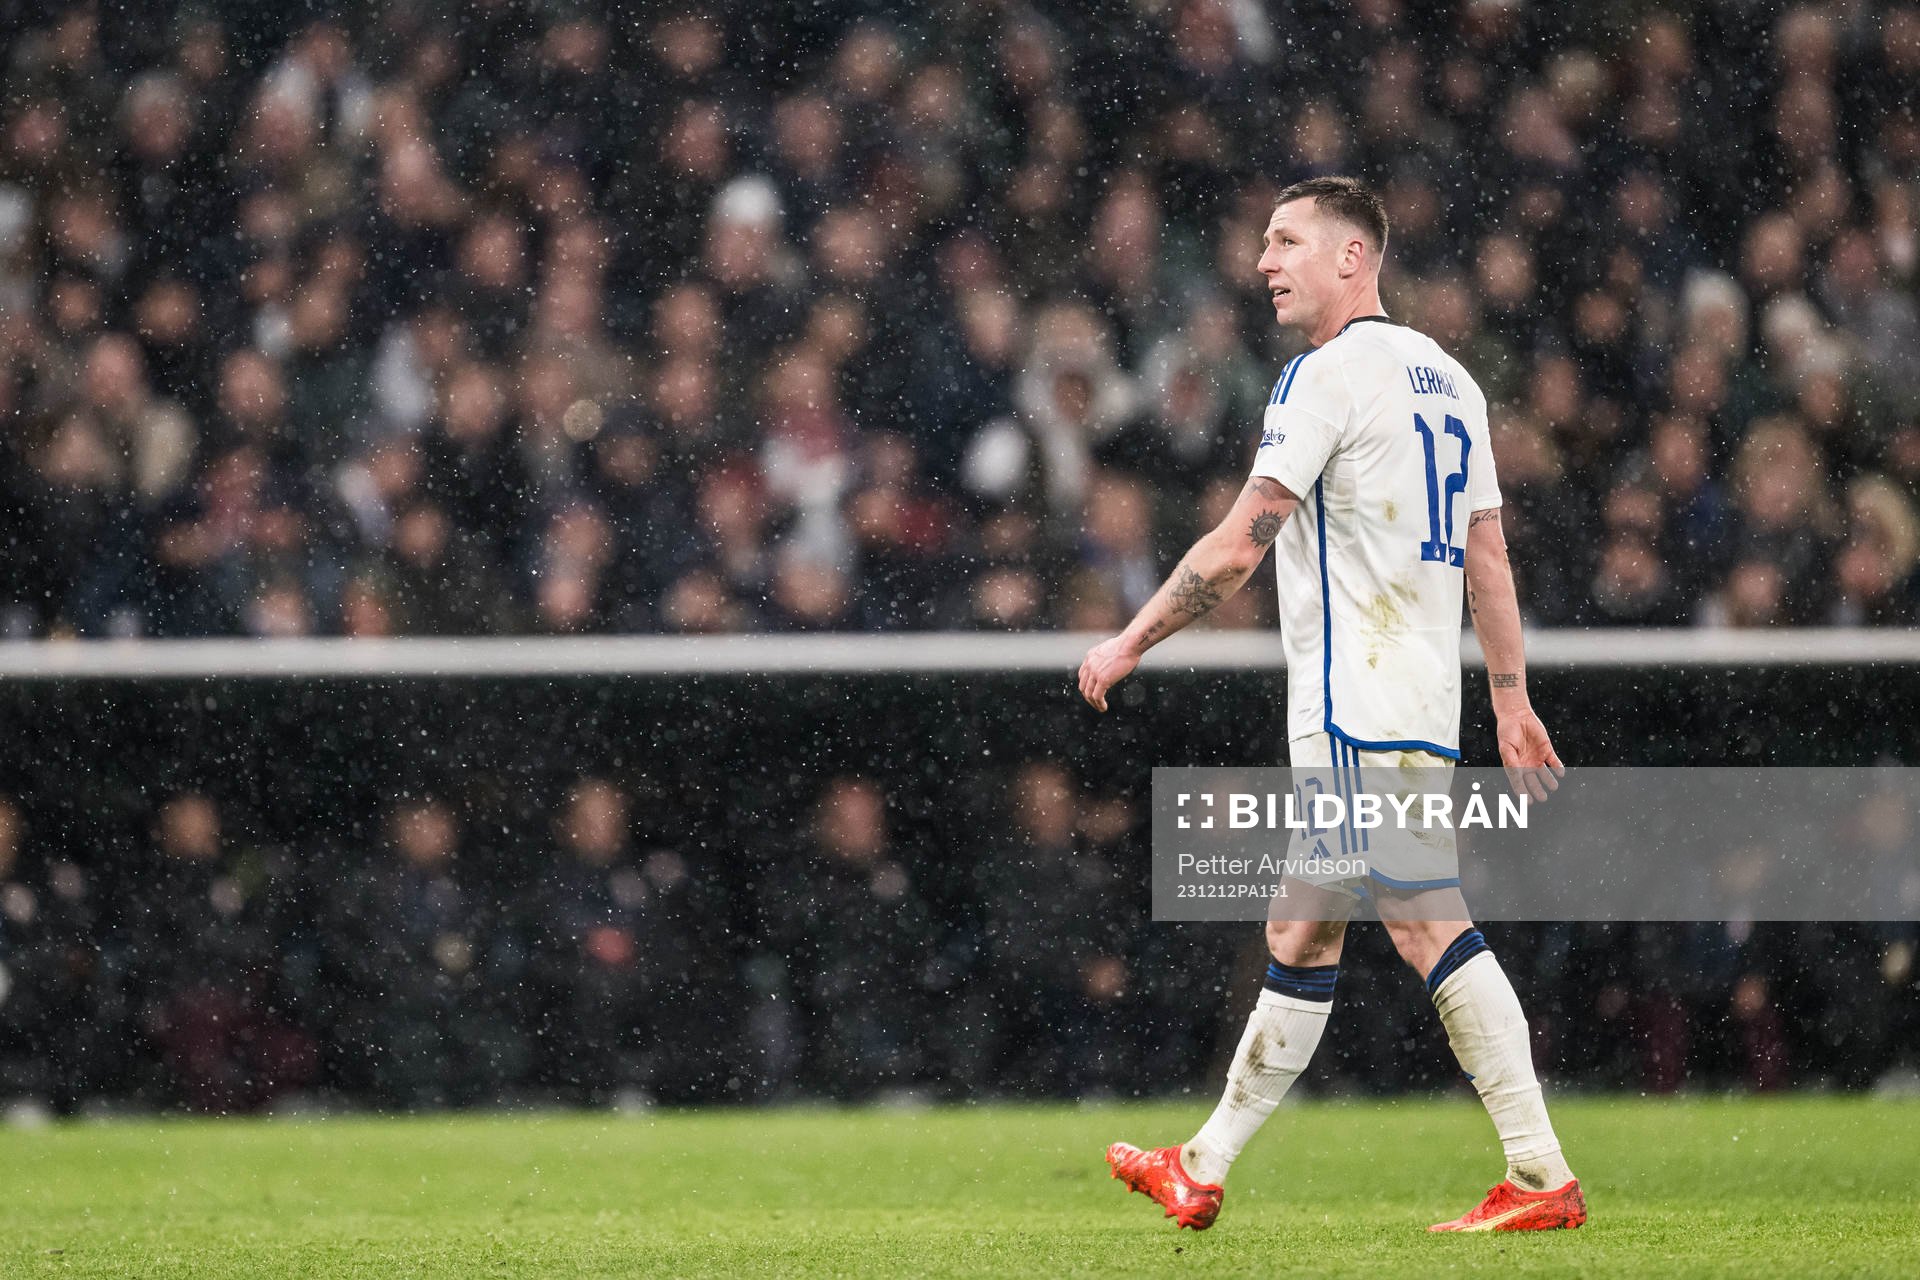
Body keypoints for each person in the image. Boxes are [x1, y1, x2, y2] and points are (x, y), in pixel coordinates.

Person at [1077, 176, 1583, 1234]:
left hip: (1356, 705)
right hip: (1415, 701)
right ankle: (1202, 1162)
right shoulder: (1450, 379)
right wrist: (1508, 694)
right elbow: (1487, 551)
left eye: (1288, 240)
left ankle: (1541, 1173)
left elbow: (1238, 542)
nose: (1266, 261)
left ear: (1354, 257)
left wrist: (1130, 637)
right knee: (1302, 929)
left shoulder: (1324, 376)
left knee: (1421, 919)